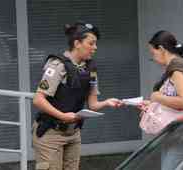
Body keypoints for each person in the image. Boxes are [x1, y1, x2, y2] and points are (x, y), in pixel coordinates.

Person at [32, 21, 122, 170]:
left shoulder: (90, 69)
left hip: (73, 133)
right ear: (77, 43)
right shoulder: (57, 65)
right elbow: (38, 100)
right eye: (91, 43)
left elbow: (92, 104)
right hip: (51, 133)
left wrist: (107, 102)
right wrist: (62, 116)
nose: (95, 48)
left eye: (96, 44)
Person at [140, 30, 183, 169]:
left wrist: (157, 97)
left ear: (161, 49)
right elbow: (173, 99)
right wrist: (152, 104)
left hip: (182, 135)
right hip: (177, 135)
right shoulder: (175, 67)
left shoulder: (177, 69)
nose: (153, 58)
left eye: (153, 53)